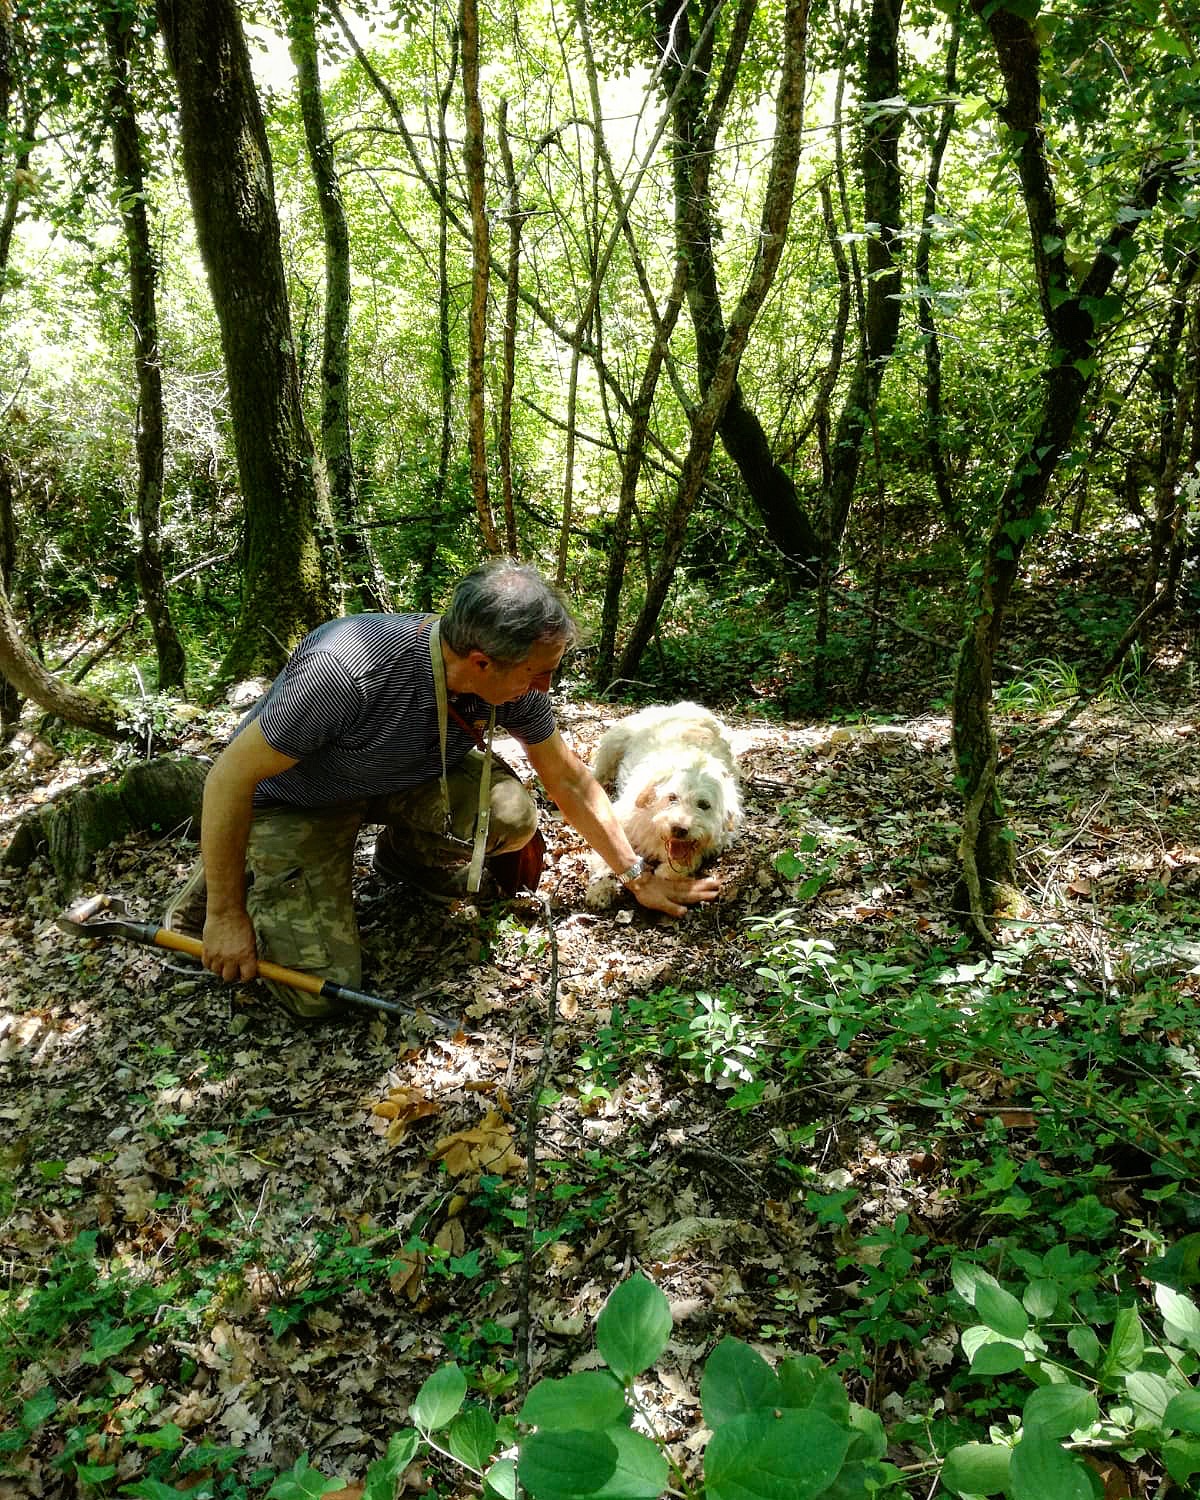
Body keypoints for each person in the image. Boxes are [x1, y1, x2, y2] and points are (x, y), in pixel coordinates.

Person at [165, 559, 720, 1018]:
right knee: (318, 995)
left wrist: (635, 875)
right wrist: (226, 916)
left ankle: (405, 862)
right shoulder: (345, 673)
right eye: (537, 672)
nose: (545, 685)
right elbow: (228, 779)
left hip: (398, 778)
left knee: (510, 813)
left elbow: (569, 777)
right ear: (481, 661)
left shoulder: (509, 681)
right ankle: (230, 877)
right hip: (298, 800)